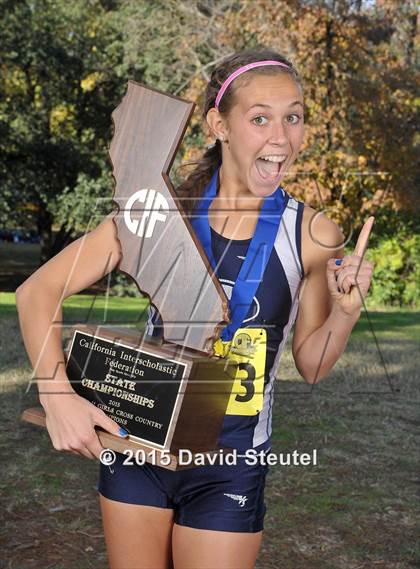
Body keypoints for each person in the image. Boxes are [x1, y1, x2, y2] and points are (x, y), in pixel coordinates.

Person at [16, 48, 375, 569]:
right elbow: (36, 292)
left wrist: (344, 312)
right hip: (136, 447)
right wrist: (58, 397)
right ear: (218, 124)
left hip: (230, 464)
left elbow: (314, 366)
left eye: (293, 117)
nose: (281, 137)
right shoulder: (158, 213)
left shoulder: (314, 234)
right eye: (260, 118)